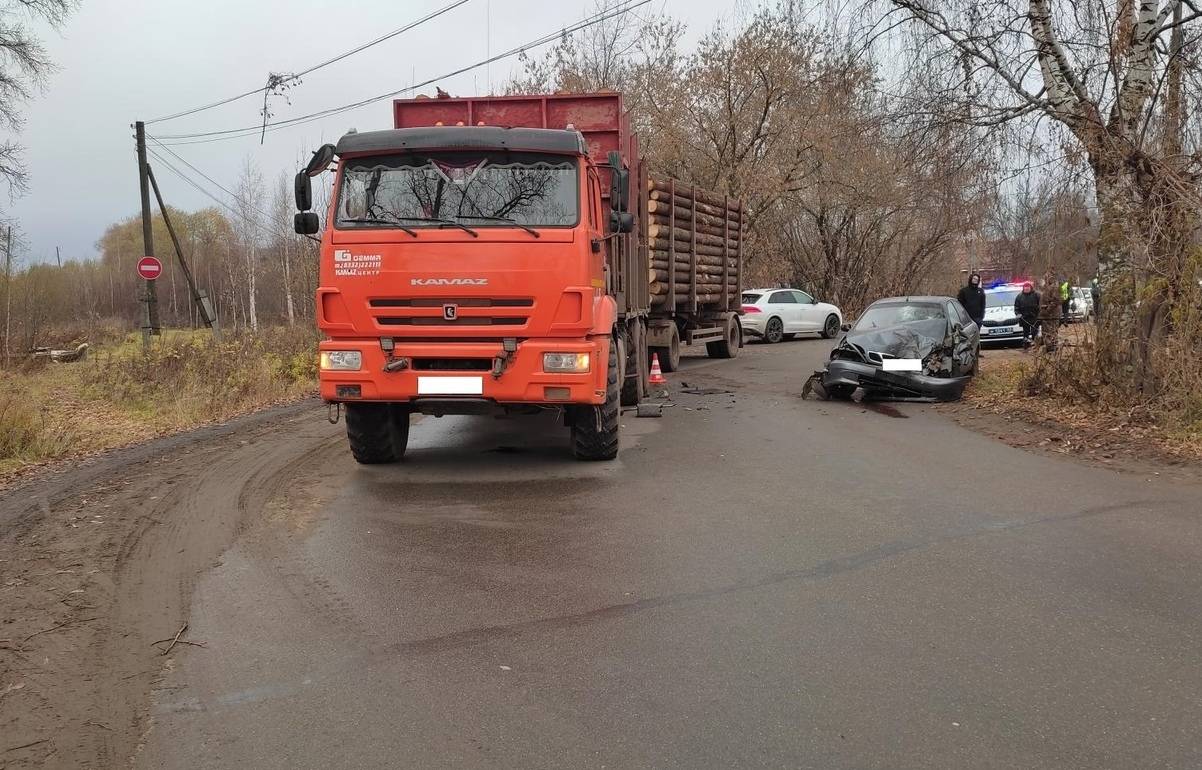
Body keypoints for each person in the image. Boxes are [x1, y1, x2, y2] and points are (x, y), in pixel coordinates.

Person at [1014, 281, 1040, 346]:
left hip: (1034, 318)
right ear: (1023, 288)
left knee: (1034, 332)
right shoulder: (1019, 296)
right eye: (1025, 288)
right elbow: (1016, 307)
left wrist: (1039, 316)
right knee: (1026, 333)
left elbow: (1040, 306)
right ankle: (1026, 345)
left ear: (1030, 288)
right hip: (1024, 318)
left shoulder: (1036, 295)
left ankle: (1035, 344)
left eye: (1028, 288)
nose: (1026, 289)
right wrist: (1018, 314)